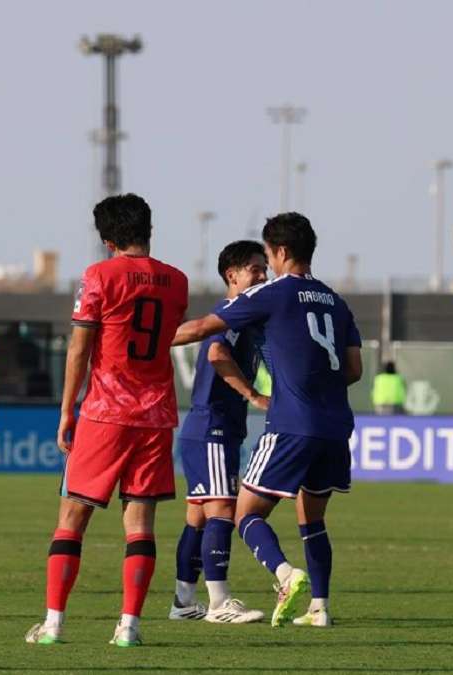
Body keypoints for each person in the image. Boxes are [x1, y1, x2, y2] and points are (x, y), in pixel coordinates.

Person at [173, 212, 362, 629]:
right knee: (312, 519)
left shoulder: (274, 294)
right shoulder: (337, 301)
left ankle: (284, 573)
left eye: (268, 259)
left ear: (279, 251)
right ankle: (320, 608)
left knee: (246, 513)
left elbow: (204, 328)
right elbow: (353, 369)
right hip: (336, 427)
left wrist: (144, 338)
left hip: (293, 423)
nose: (266, 268)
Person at [25, 194, 188, 647]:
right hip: (155, 415)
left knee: (72, 517)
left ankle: (54, 625)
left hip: (105, 411)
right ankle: (128, 627)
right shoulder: (177, 281)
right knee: (140, 525)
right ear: (148, 230)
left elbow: (79, 347)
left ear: (107, 239)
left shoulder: (99, 276)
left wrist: (66, 410)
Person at [170, 240, 269, 624]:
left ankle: (182, 602)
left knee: (197, 515)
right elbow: (214, 353)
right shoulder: (231, 313)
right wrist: (253, 393)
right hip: (211, 424)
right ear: (232, 275)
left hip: (213, 426)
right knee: (222, 509)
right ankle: (218, 602)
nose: (263, 276)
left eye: (265, 269)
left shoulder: (243, 314)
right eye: (255, 269)